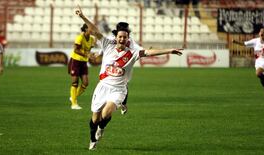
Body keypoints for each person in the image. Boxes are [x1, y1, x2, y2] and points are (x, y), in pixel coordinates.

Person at [75, 5, 183, 150]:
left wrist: (169, 50)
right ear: (116, 37)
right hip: (102, 86)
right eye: (119, 36)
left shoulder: (132, 53)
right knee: (95, 117)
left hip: (118, 89)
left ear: (127, 38)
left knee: (106, 113)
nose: (122, 39)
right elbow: (95, 30)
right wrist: (82, 16)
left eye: (124, 37)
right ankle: (92, 138)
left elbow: (150, 52)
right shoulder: (107, 44)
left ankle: (102, 127)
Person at [100, 22, 144, 115]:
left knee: (124, 82)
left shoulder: (129, 40)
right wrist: (100, 53)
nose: (122, 38)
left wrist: (144, 50)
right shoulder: (113, 38)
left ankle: (123, 103)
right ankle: (115, 102)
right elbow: (105, 45)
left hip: (125, 62)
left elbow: (137, 48)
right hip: (113, 59)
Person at [233, 28, 264, 97]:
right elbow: (244, 43)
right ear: (259, 34)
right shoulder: (255, 41)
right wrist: (236, 42)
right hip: (258, 61)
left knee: (258, 73)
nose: (261, 36)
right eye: (261, 34)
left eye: (263, 34)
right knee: (260, 76)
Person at [68, 23, 95, 110]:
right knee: (75, 83)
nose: (92, 30)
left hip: (83, 62)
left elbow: (88, 51)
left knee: (85, 83)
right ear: (86, 29)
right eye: (91, 28)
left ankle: (73, 97)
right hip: (75, 61)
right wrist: (87, 55)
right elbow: (75, 50)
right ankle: (74, 104)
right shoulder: (80, 37)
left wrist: (91, 56)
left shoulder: (92, 39)